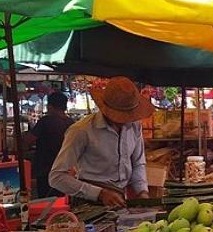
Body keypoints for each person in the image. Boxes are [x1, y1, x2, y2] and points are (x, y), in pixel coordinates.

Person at [49, 77, 152, 207]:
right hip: (89, 204)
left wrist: (142, 192)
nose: (126, 120)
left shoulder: (134, 126)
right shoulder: (81, 131)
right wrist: (99, 194)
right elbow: (56, 177)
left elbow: (138, 163)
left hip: (120, 200)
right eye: (122, 116)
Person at [25, 92, 73, 198]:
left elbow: (28, 140)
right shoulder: (72, 123)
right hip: (66, 170)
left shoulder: (45, 122)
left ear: (50, 106)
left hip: (46, 170)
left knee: (47, 202)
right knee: (62, 200)